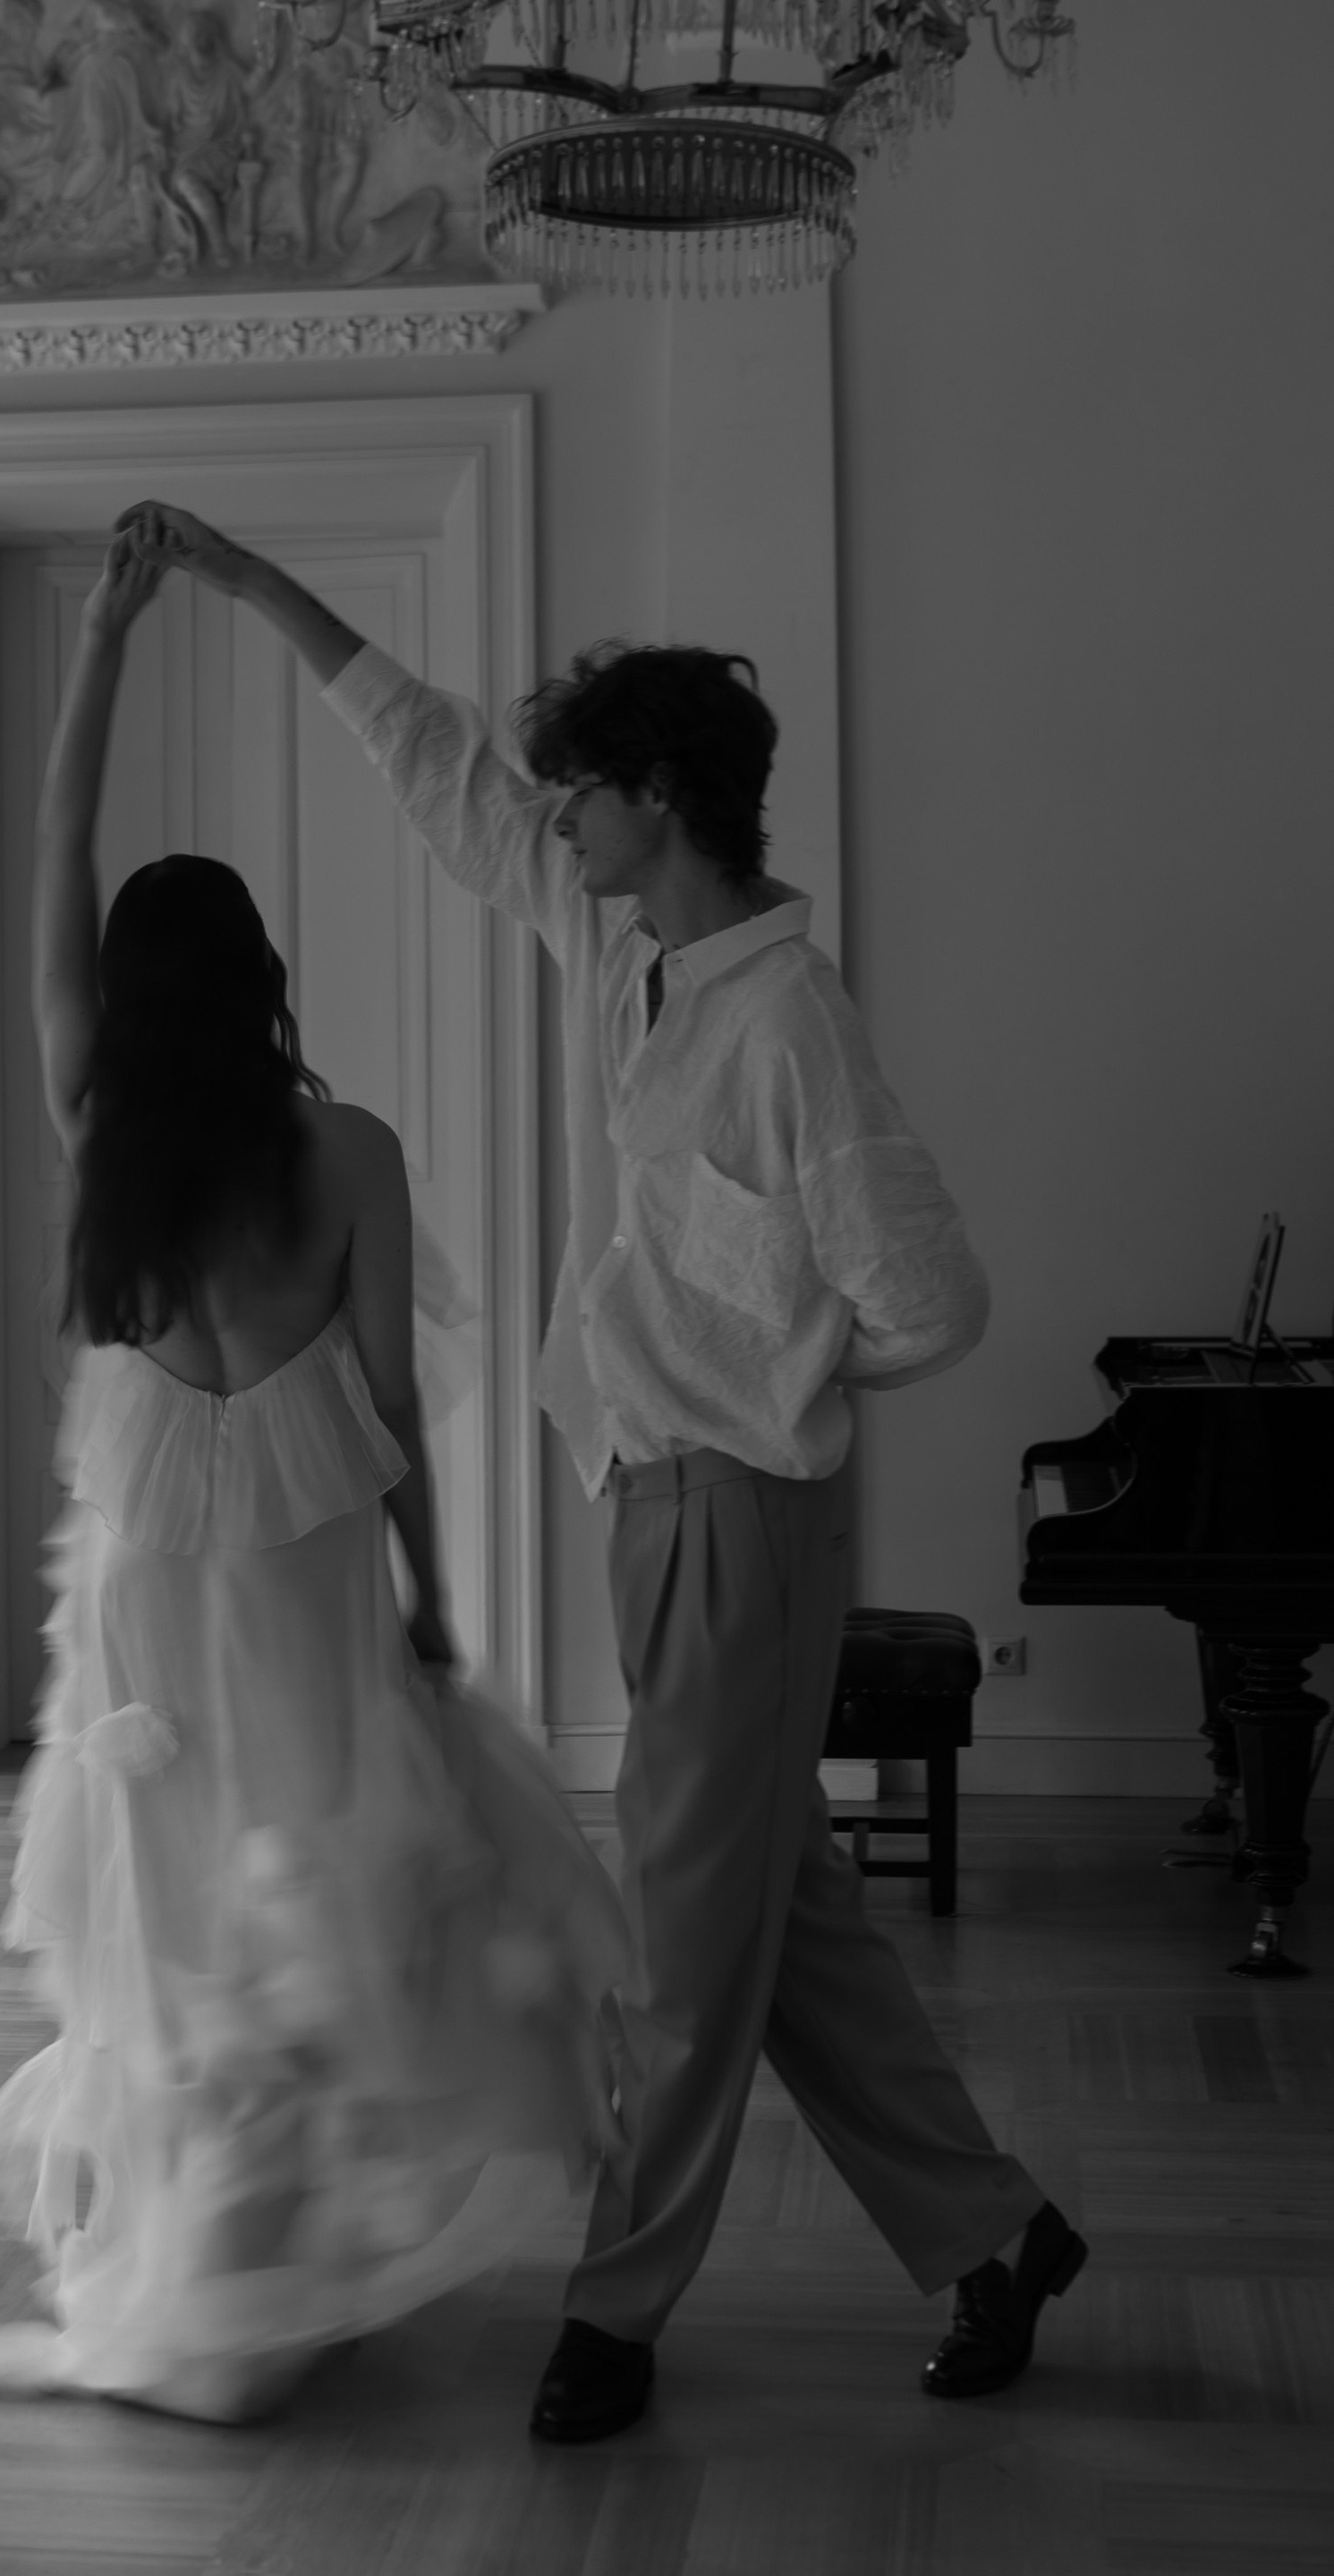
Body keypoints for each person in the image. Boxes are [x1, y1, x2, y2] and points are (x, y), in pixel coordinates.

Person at [124, 497, 1090, 2445]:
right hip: (647, 1501)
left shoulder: (792, 1027)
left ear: (660, 798)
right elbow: (441, 772)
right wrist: (248, 585)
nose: (554, 819)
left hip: (739, 1508)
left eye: (583, 792)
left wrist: (777, 1377)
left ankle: (617, 2308)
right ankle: (997, 2233)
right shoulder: (626, 949)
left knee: (679, 1939)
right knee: (781, 1916)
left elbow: (931, 1299)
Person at [0, 526, 629, 2425]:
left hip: (151, 1577)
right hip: (307, 1566)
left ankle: (200, 2269)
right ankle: (274, 2264)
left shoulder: (99, 1120)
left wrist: (105, 638)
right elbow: (386, 1407)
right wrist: (435, 1605)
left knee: (168, 1919)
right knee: (310, 1890)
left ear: (127, 995)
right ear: (263, 981)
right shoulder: (357, 1154)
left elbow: (57, 851)